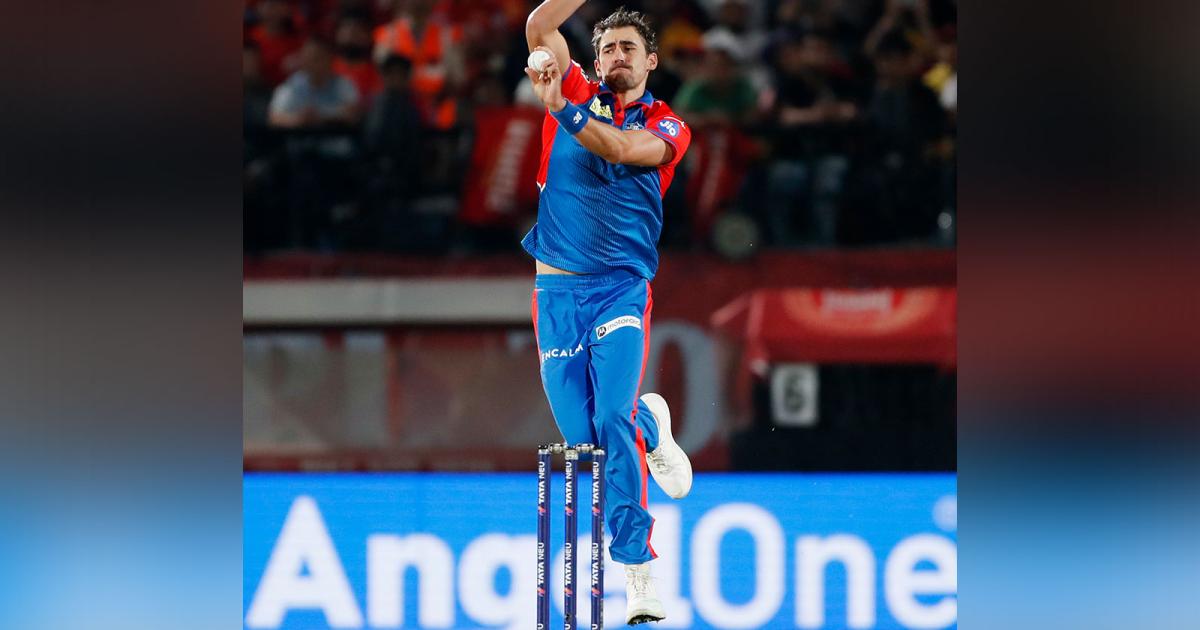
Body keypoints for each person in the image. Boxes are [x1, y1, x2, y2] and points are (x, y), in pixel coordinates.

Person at [522, 2, 694, 624]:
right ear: (594, 62)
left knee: (610, 418)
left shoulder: (668, 125)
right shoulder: (576, 90)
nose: (618, 56)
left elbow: (620, 149)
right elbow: (540, 29)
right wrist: (563, 96)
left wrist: (558, 110)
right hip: (556, 298)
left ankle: (638, 571)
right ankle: (652, 424)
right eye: (608, 49)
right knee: (589, 447)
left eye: (630, 48)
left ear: (651, 60)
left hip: (620, 289)